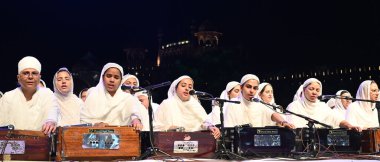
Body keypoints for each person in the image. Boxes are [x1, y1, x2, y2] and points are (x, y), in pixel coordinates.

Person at [0, 56, 58, 134]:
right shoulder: (8, 97)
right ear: (18, 77)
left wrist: (51, 121)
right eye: (26, 73)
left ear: (39, 77)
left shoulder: (47, 94)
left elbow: (52, 112)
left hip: (41, 143)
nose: (30, 77)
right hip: (13, 144)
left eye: (34, 73)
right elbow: (2, 126)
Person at [80, 63, 144, 130]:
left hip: (123, 136)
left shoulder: (127, 98)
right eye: (108, 76)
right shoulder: (93, 93)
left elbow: (134, 114)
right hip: (93, 136)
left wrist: (136, 120)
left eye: (116, 77)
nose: (112, 80)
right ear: (102, 77)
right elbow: (84, 119)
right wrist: (95, 124)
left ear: (120, 81)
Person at [154, 75, 220, 139]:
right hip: (170, 142)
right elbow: (156, 127)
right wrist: (170, 128)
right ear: (176, 88)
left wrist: (211, 127)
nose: (187, 88)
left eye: (190, 87)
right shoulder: (167, 104)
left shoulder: (195, 104)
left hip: (195, 142)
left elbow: (203, 121)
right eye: (183, 85)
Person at [286, 78, 361, 131]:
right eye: (311, 89)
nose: (314, 92)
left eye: (317, 90)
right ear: (304, 90)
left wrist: (350, 126)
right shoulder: (294, 106)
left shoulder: (322, 106)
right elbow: (293, 129)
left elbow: (337, 120)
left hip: (322, 145)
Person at [224, 74, 293, 128]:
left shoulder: (259, 103)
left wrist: (283, 122)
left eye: (255, 88)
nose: (251, 91)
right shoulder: (233, 104)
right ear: (241, 88)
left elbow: (272, 114)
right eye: (248, 87)